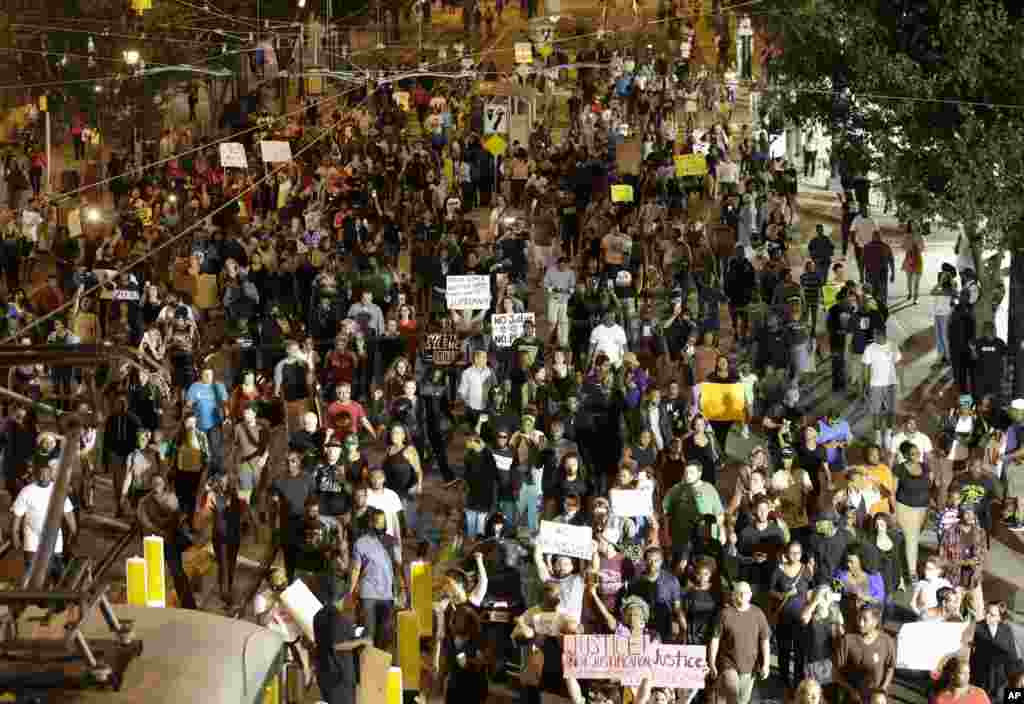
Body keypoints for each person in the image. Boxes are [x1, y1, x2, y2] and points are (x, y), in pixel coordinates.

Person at [347, 507, 405, 651]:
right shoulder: (360, 543)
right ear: (370, 522)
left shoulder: (391, 542)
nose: (379, 524)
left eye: (382, 521)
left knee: (385, 633)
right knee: (369, 633)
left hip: (387, 594)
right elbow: (355, 569)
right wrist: (351, 592)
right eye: (377, 521)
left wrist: (402, 588)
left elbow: (398, 566)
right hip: (368, 593)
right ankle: (368, 668)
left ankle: (380, 666)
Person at [11, 461, 77, 585]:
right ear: (36, 475)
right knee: (32, 574)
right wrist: (15, 534)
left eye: (46, 474)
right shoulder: (27, 491)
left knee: (57, 576)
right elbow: (17, 515)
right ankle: (30, 598)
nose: (44, 477)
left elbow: (68, 512)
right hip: (32, 540)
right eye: (41, 474)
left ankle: (54, 599)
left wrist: (73, 531)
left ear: (51, 474)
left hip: (54, 542)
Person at [707, 581, 771, 704]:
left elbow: (765, 640)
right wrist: (712, 663)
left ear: (750, 595)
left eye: (745, 592)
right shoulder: (724, 614)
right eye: (738, 592)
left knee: (742, 700)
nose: (742, 595)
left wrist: (766, 664)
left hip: (750, 665)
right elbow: (715, 639)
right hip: (728, 662)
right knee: (732, 692)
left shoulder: (758, 614)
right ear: (733, 595)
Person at [312, 596, 372, 704]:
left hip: (325, 672)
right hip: (340, 676)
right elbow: (337, 645)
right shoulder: (337, 618)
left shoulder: (318, 616)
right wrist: (361, 641)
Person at [834, 604, 896, 702]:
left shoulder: (886, 641)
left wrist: (882, 690)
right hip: (853, 699)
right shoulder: (847, 640)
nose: (860, 623)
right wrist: (851, 690)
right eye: (859, 618)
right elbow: (835, 673)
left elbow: (890, 668)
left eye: (865, 619)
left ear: (875, 622)